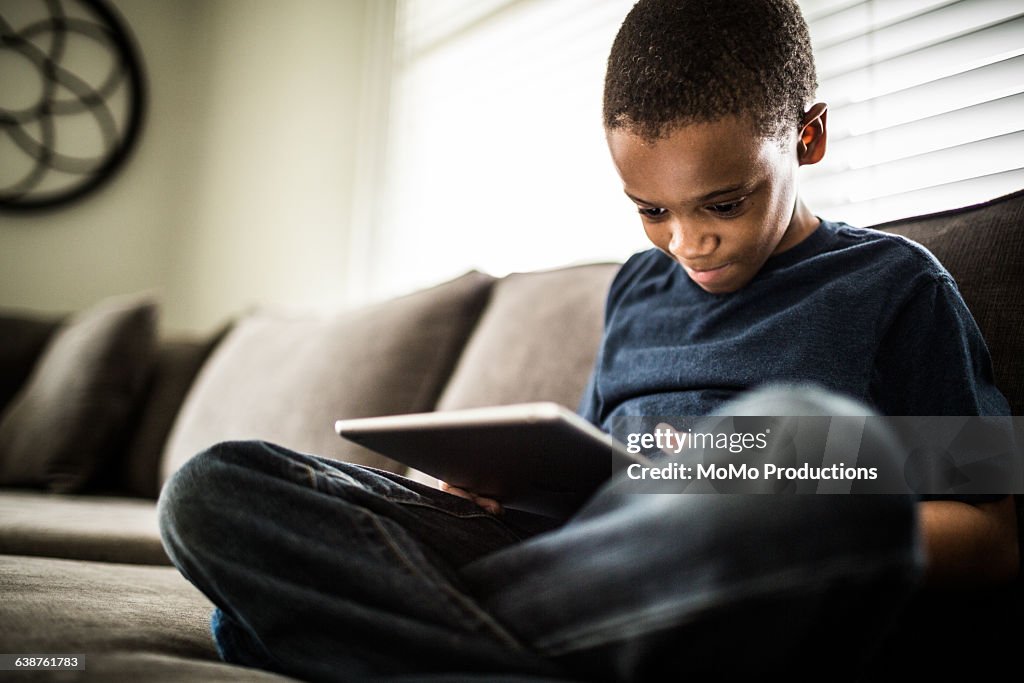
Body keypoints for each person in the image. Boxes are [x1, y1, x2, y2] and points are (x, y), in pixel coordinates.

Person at [158, 1, 1018, 681]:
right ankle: (539, 648)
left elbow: (990, 538)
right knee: (217, 488)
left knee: (798, 439)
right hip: (588, 569)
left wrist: (781, 490)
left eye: (724, 202)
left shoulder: (893, 286)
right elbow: (586, 483)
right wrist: (496, 487)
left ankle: (375, 635)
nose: (687, 243)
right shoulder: (636, 291)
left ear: (808, 135)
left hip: (740, 585)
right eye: (652, 210)